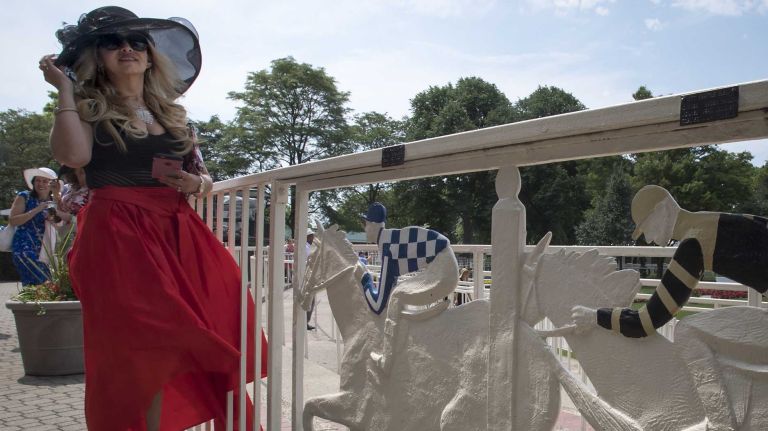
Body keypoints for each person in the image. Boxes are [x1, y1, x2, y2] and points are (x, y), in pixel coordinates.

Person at [41, 7, 265, 430]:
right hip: (117, 236)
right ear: (97, 56)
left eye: (137, 42)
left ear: (150, 56)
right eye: (113, 42)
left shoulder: (171, 114)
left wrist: (196, 184)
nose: (127, 48)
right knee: (145, 352)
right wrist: (64, 93)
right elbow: (74, 157)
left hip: (177, 234)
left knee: (200, 335)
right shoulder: (88, 107)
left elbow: (201, 176)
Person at [572, 185, 768, 338]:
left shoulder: (694, 244)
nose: (648, 239)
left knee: (690, 333)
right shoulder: (715, 221)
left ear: (663, 210)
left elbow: (646, 322)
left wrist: (595, 316)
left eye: (646, 227)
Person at [361, 202, 459, 375]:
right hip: (444, 264)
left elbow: (377, 305)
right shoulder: (390, 240)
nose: (364, 229)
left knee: (396, 297)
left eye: (366, 224)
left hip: (443, 269)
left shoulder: (388, 247)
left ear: (375, 225)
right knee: (397, 293)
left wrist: (365, 280)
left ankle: (387, 360)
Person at [8, 167, 66, 285]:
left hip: (46, 248)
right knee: (39, 281)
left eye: (45, 181)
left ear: (52, 185)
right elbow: (13, 221)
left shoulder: (55, 201)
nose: (41, 184)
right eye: (38, 180)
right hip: (25, 247)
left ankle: (37, 303)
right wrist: (36, 210)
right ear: (33, 182)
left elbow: (61, 225)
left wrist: (53, 216)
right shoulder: (25, 196)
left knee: (46, 283)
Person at [305, 229, 316, 330]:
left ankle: (305, 322)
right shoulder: (306, 247)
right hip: (307, 277)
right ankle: (305, 323)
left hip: (307, 276)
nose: (313, 238)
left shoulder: (307, 247)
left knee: (309, 300)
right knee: (310, 300)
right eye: (312, 236)